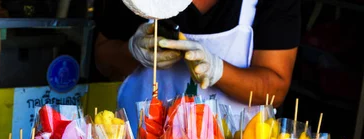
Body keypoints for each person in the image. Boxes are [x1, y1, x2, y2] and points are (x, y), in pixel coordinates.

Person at [93, 0, 301, 125]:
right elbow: (103, 60)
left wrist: (217, 70)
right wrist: (133, 51)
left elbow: (275, 89)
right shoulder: (140, 3)